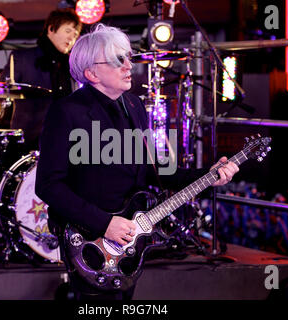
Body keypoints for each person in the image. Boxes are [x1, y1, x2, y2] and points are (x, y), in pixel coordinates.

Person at [35, 24, 239, 300]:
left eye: (128, 57)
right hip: (88, 238)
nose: (128, 66)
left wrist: (209, 174)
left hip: (129, 238)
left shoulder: (133, 106)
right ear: (92, 73)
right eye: (118, 60)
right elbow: (48, 186)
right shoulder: (67, 112)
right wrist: (105, 222)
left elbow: (156, 171)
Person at [0, 8, 82, 153]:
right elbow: (0, 94)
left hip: (65, 142)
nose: (72, 38)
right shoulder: (22, 58)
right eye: (68, 31)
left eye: (75, 34)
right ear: (51, 29)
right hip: (28, 141)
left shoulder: (72, 66)